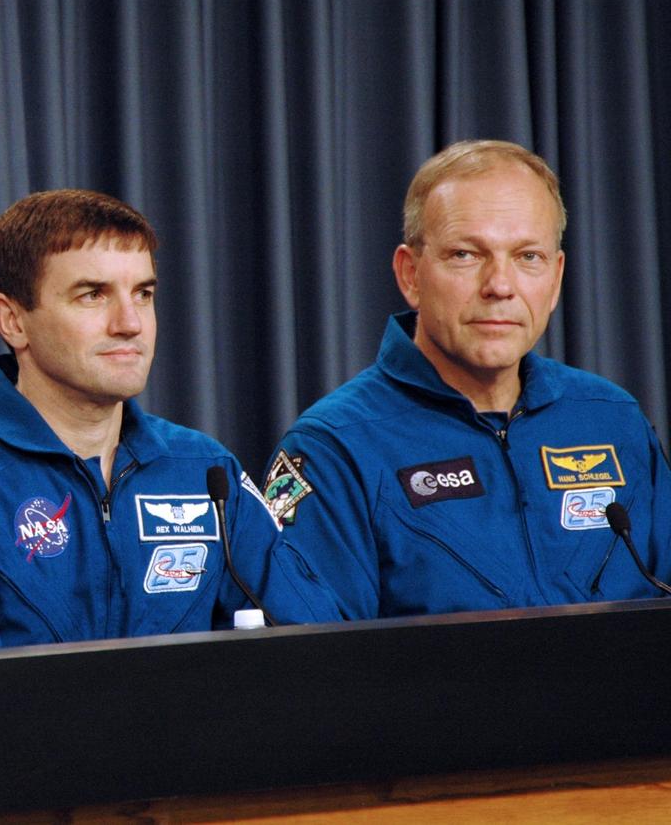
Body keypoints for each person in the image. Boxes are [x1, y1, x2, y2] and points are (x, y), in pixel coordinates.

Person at [0, 188, 296, 652]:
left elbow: (308, 651)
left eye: (143, 294)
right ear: (12, 321)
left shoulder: (205, 470)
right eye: (93, 295)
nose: (130, 323)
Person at [265, 139, 671, 621]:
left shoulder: (611, 419)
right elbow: (314, 673)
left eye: (528, 257)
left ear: (557, 278)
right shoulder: (334, 446)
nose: (500, 286)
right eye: (465, 254)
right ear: (410, 274)